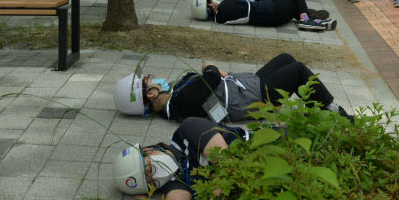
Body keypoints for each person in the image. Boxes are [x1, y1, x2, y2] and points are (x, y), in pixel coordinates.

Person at [113, 54, 353, 123]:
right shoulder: (180, 102)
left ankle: (315, 105)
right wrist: (210, 65)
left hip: (248, 86)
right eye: (149, 80)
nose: (155, 78)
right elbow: (213, 76)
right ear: (151, 94)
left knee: (285, 59)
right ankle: (332, 110)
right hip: (256, 97)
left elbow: (209, 80)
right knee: (298, 70)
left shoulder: (176, 96)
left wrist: (212, 73)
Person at [112, 117, 249, 200]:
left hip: (261, 152)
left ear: (147, 151)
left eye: (148, 169)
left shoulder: (188, 130)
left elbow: (228, 166)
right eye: (151, 183)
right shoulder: (172, 181)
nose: (156, 176)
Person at [191, 0, 336, 31]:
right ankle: (305, 20)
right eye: (210, 1)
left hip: (270, 18)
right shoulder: (225, 6)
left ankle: (316, 21)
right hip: (270, 10)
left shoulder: (219, 18)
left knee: (294, 8)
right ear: (210, 4)